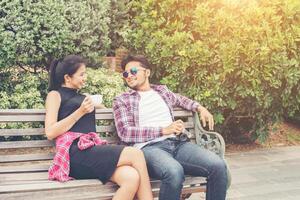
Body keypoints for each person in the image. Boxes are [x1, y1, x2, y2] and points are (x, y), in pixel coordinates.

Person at [113, 55, 228, 200]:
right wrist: (163, 130)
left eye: (133, 71)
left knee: (218, 166)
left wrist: (200, 108)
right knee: (174, 171)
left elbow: (182, 100)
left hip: (178, 144)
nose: (129, 76)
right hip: (148, 149)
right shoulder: (122, 99)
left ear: (147, 73)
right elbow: (125, 132)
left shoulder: (162, 91)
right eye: (125, 73)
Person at [45, 55, 153, 200]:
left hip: (90, 152)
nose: (85, 77)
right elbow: (50, 132)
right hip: (75, 155)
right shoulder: (55, 95)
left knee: (131, 178)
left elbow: (102, 106)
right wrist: (80, 111)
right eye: (82, 74)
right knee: (136, 154)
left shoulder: (83, 97)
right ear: (67, 78)